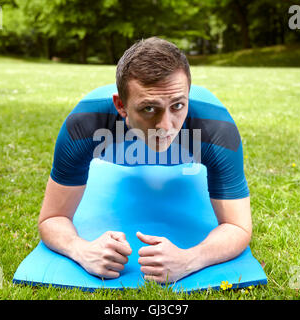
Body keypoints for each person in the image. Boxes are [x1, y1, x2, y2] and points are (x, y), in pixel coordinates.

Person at [37, 37, 252, 284]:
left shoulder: (216, 129)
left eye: (178, 105)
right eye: (149, 108)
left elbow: (238, 226)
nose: (165, 126)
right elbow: (52, 218)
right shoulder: (85, 124)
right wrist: (81, 250)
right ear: (121, 106)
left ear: (189, 98)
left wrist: (189, 259)